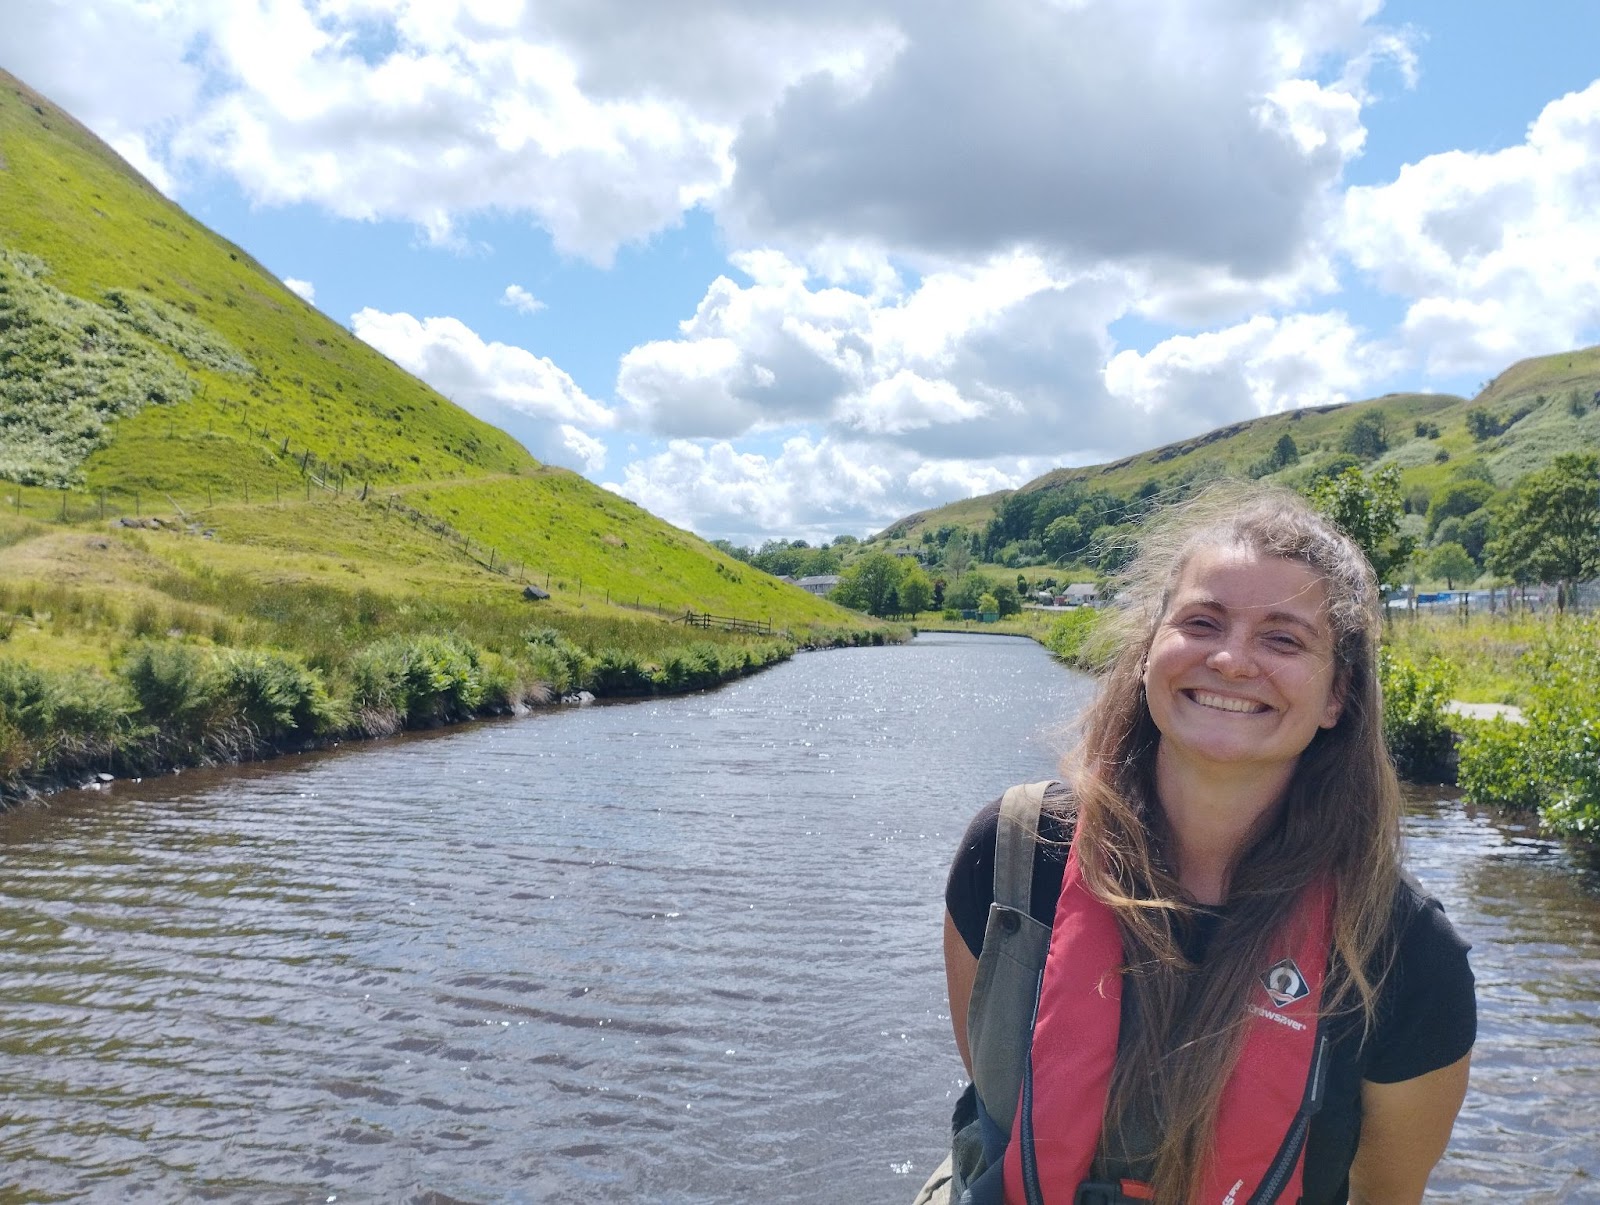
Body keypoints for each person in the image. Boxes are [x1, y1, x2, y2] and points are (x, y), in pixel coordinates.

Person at [941, 486, 1475, 1205]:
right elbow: (995, 1089)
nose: (1229, 659)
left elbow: (1386, 1191)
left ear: (1336, 697)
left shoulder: (1408, 955)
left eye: (1283, 638)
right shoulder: (1006, 859)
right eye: (1201, 621)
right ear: (1147, 653)